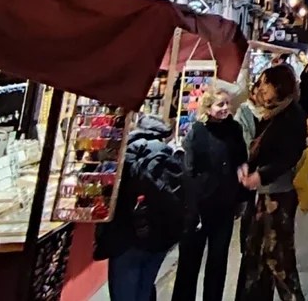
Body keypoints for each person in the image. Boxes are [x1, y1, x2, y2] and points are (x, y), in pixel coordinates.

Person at [235, 64, 308, 301]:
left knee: (279, 259)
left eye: (266, 82)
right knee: (255, 256)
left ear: (278, 86)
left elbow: (288, 156)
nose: (262, 88)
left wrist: (261, 175)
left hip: (279, 197)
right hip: (265, 195)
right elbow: (261, 149)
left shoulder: (291, 115)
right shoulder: (272, 113)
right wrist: (248, 165)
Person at [94, 114, 183, 301]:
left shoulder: (123, 155)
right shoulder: (169, 154)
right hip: (158, 239)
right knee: (144, 290)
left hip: (126, 240)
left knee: (124, 293)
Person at [173, 86, 248, 301]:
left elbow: (241, 160)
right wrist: (190, 208)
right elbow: (189, 170)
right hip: (198, 208)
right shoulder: (197, 132)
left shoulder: (234, 129)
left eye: (227, 104)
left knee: (217, 261)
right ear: (208, 107)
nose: (225, 108)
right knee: (189, 262)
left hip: (224, 205)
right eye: (220, 104)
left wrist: (241, 197)